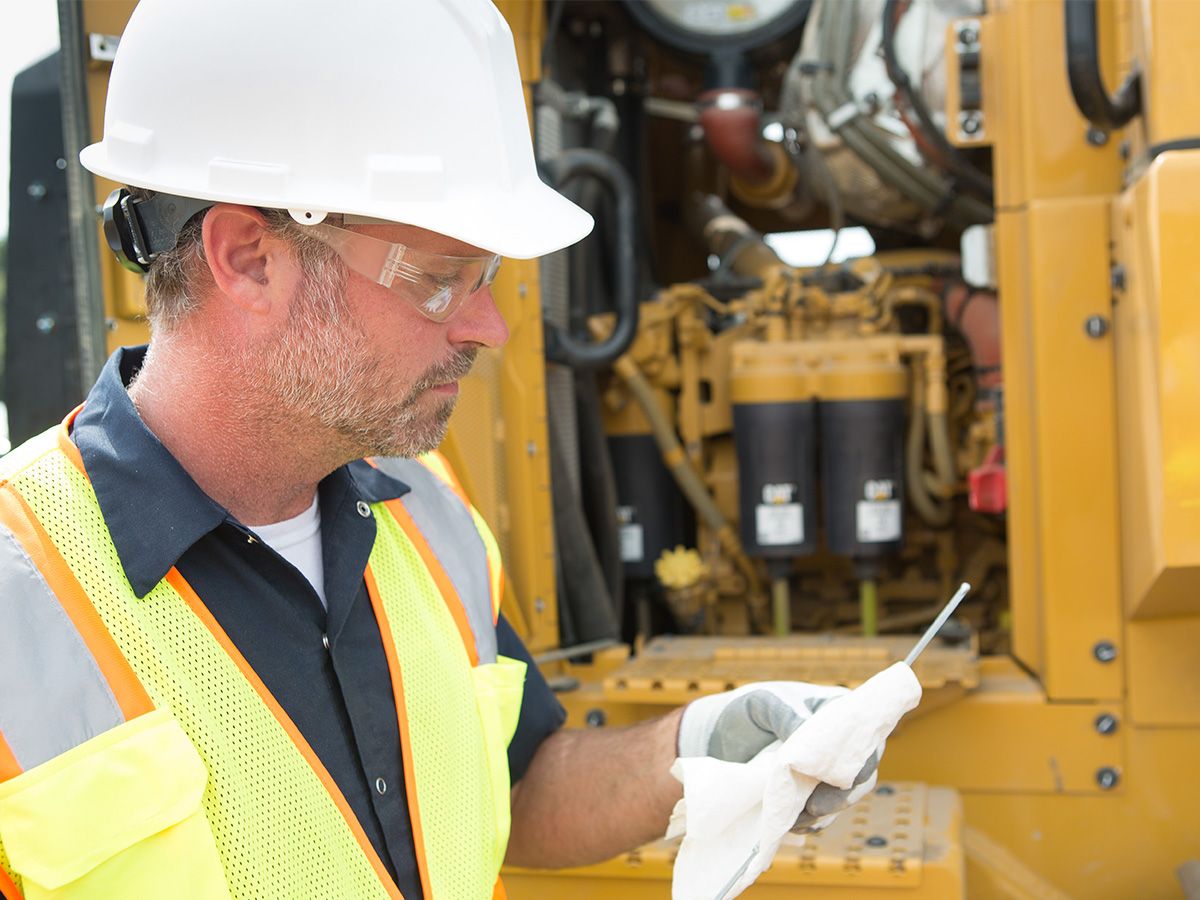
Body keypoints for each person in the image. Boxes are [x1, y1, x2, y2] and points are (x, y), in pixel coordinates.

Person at [0, 2, 878, 898]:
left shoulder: (429, 520)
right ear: (248, 257)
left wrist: (696, 749)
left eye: (487, 279)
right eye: (439, 279)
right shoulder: (17, 606)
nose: (488, 325)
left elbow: (516, 784)